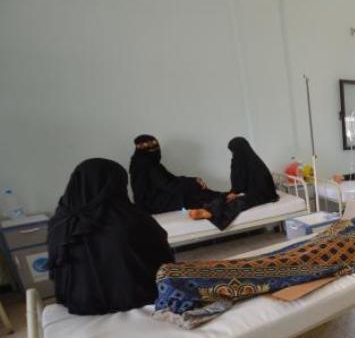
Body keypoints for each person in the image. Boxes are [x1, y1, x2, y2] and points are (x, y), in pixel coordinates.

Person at [154, 193, 355, 327]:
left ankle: (192, 283)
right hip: (310, 248)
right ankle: (183, 275)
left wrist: (352, 257)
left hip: (318, 260)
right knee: (268, 259)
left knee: (272, 269)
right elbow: (331, 233)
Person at [48, 158, 174, 315]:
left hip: (76, 300)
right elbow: (164, 262)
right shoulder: (131, 220)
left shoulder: (59, 222)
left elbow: (56, 269)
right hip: (136, 298)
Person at [188, 137, 279, 230]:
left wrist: (235, 192)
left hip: (262, 194)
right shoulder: (252, 159)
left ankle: (209, 212)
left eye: (233, 151)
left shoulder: (239, 161)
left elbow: (240, 182)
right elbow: (241, 182)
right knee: (223, 196)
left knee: (236, 203)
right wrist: (235, 192)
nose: (232, 154)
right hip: (257, 191)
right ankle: (207, 209)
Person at [129, 134, 223, 214]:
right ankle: (221, 200)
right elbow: (167, 184)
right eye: (151, 149)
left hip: (150, 202)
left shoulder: (141, 162)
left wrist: (193, 180)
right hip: (151, 204)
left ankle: (220, 198)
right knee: (190, 193)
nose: (155, 151)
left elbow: (171, 179)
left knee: (192, 188)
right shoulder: (147, 164)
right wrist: (193, 183)